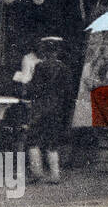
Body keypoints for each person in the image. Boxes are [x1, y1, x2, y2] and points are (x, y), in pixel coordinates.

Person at [19, 36, 71, 184]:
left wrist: (24, 86)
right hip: (57, 110)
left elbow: (34, 89)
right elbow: (68, 92)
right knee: (52, 142)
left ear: (46, 51)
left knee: (33, 139)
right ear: (57, 51)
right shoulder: (64, 68)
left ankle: (37, 172)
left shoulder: (41, 67)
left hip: (41, 109)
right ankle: (55, 174)